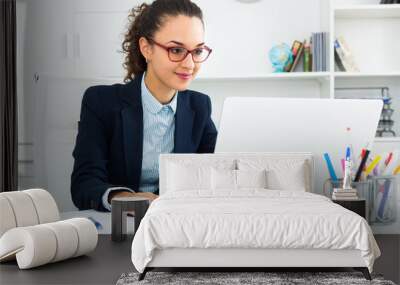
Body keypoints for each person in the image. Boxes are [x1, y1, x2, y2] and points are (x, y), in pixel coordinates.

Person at [70, 0, 217, 211]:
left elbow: (216, 174)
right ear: (146, 48)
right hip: (119, 225)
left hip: (174, 224)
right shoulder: (101, 102)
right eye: (176, 50)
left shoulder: (200, 106)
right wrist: (126, 200)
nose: (190, 64)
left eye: (197, 51)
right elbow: (84, 185)